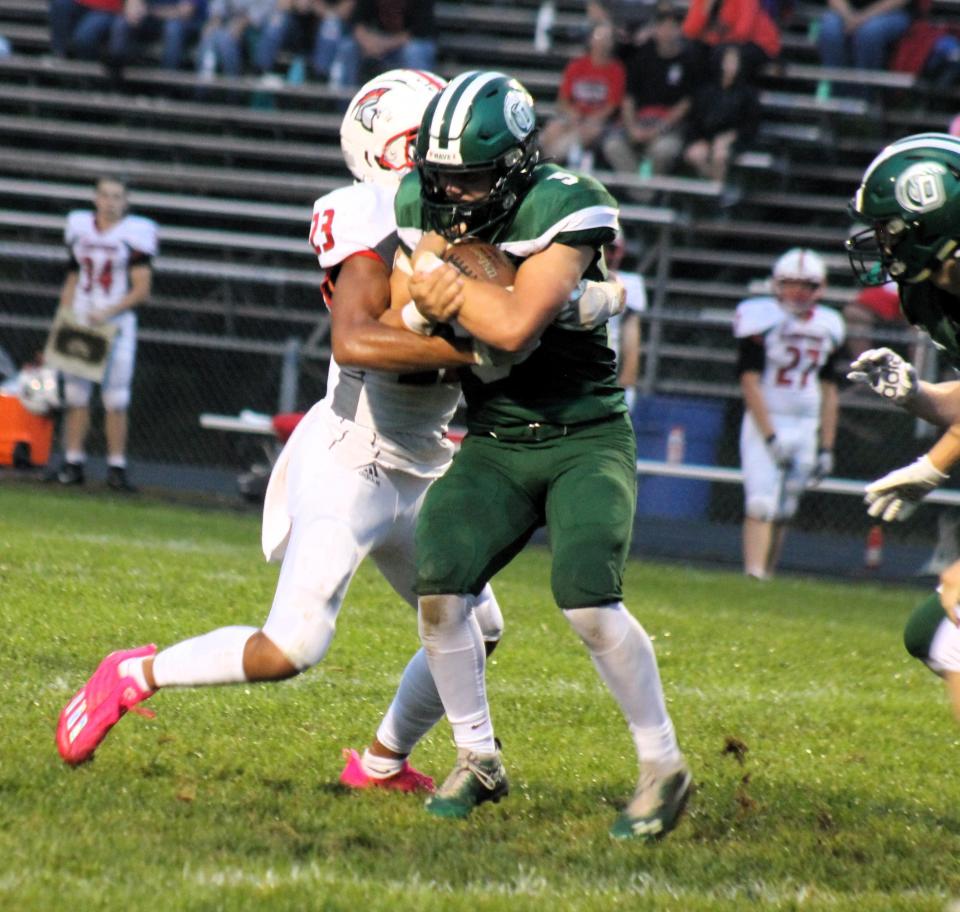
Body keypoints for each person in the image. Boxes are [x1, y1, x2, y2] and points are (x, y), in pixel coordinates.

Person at [55, 71, 505, 791]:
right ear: (400, 150)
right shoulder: (367, 220)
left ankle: (382, 762)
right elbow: (354, 341)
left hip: (424, 468)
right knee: (291, 647)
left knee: (478, 628)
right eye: (441, 140)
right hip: (351, 462)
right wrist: (477, 348)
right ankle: (134, 672)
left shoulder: (472, 223)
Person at [394, 69, 691, 838]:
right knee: (440, 584)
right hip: (495, 436)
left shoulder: (566, 200)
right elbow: (404, 313)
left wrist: (447, 287)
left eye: (473, 179)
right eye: (444, 179)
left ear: (519, 161)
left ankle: (662, 764)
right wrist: (457, 293)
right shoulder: (424, 198)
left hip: (583, 431)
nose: (454, 196)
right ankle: (476, 756)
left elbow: (516, 327)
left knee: (589, 599)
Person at [844, 131, 960, 723]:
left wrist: (932, 466)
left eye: (890, 229)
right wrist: (918, 396)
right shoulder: (932, 294)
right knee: (932, 632)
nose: (881, 243)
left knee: (955, 623)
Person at [734, 248, 844, 580]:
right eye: (790, 284)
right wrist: (769, 433)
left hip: (806, 421)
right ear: (776, 284)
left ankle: (768, 574)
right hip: (768, 417)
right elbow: (749, 382)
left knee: (786, 506)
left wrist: (827, 445)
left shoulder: (829, 324)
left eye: (805, 285)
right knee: (761, 503)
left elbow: (829, 390)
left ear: (819, 288)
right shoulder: (760, 317)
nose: (797, 292)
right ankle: (754, 573)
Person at [49, 175, 157, 493]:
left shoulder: (134, 234)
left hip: (116, 323)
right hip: (81, 319)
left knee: (116, 398)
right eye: (106, 195)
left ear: (126, 202)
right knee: (75, 395)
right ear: (96, 198)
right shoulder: (79, 228)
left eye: (117, 196)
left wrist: (106, 313)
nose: (110, 201)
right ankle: (73, 462)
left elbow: (142, 289)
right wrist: (65, 316)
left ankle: (116, 467)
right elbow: (72, 278)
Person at [601, 1, 697, 183]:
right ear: (656, 30)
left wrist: (657, 129)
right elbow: (628, 98)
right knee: (612, 145)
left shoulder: (687, 62)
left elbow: (686, 103)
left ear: (679, 31)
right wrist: (632, 128)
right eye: (663, 27)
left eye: (672, 28)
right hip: (639, 121)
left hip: (667, 127)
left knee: (662, 151)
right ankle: (643, 192)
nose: (667, 33)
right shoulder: (641, 58)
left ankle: (646, 191)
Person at [538, 21, 626, 171]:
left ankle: (548, 163)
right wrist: (573, 115)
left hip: (599, 122)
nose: (602, 43)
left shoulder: (616, 70)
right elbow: (563, 99)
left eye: (607, 39)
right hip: (574, 116)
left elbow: (612, 106)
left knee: (586, 132)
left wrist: (590, 119)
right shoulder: (577, 66)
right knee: (553, 129)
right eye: (599, 38)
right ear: (591, 40)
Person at [681, 43, 760, 185]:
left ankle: (715, 192)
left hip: (734, 140)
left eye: (734, 61)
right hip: (705, 138)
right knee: (695, 154)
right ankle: (711, 185)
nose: (730, 66)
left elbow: (750, 126)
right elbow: (695, 121)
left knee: (720, 155)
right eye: (727, 61)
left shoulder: (747, 93)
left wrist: (729, 137)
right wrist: (699, 140)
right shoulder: (705, 90)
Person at [330, 0, 436, 90]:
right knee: (348, 47)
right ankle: (344, 106)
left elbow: (418, 32)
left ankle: (421, 99)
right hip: (373, 42)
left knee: (415, 51)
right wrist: (369, 43)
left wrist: (382, 45)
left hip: (402, 46)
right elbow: (357, 25)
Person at [817, 0, 913, 97]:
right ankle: (837, 93)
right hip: (848, 12)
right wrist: (848, 17)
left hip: (892, 12)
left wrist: (862, 19)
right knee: (829, 29)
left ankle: (864, 95)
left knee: (869, 33)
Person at [681, 0, 781, 81]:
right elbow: (689, 30)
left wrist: (711, 39)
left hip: (759, 43)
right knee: (692, 49)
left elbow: (743, 32)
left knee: (722, 54)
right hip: (722, 43)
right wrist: (705, 9)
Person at [604, 231, 646, 411]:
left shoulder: (627, 283)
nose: (606, 255)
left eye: (610, 249)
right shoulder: (567, 278)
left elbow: (631, 341)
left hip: (606, 374)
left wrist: (625, 384)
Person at [194, 0, 276, 80]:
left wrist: (243, 22)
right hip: (227, 26)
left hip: (254, 30)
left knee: (224, 38)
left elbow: (267, 10)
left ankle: (229, 83)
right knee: (211, 34)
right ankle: (208, 76)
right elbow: (219, 6)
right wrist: (215, 20)